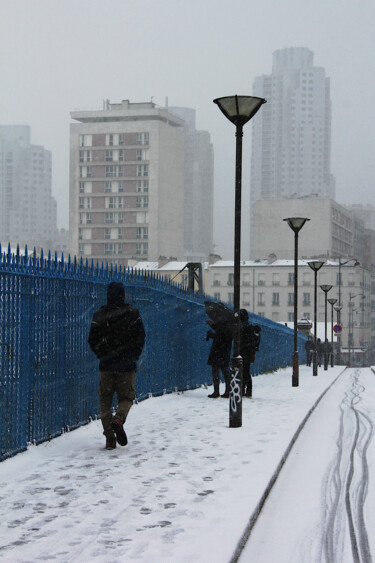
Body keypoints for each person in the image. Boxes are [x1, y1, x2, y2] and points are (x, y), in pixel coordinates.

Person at [88, 281, 145, 450]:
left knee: (105, 399)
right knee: (126, 397)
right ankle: (119, 419)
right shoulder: (132, 313)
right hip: (126, 365)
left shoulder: (100, 315)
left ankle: (109, 438)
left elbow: (92, 339)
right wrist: (133, 355)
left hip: (106, 365)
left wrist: (102, 354)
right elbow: (141, 337)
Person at [206, 319, 232, 398]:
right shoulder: (229, 329)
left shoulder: (225, 330)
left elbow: (219, 337)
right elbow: (220, 332)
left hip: (218, 353)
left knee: (217, 373)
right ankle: (227, 391)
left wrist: (211, 334)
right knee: (225, 373)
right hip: (223, 354)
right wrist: (212, 326)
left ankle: (218, 391)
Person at [240, 309, 261, 398]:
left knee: (244, 372)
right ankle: (247, 390)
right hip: (248, 353)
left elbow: (243, 340)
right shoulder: (250, 327)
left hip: (243, 352)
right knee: (246, 371)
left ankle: (244, 389)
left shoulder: (243, 327)